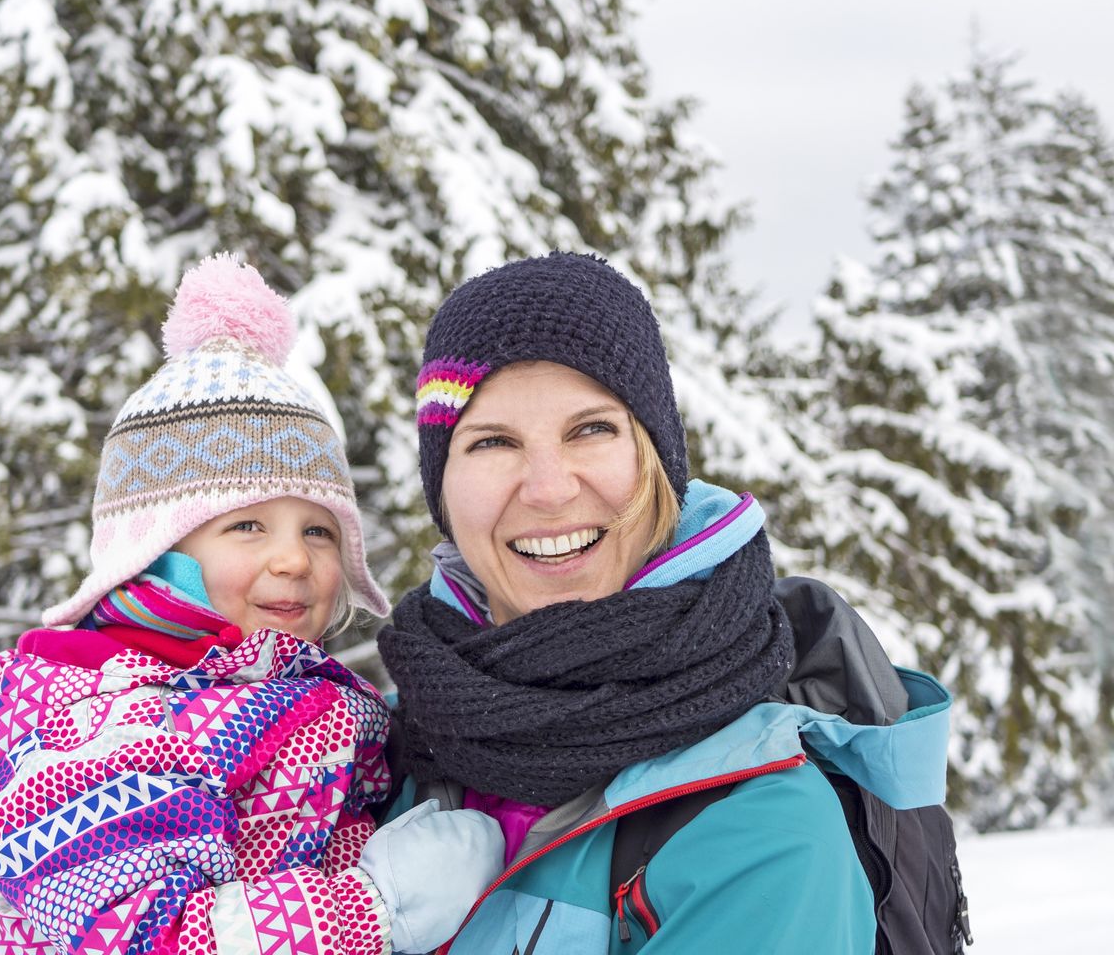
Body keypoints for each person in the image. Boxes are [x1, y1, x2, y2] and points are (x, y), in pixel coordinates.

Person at [377, 252, 954, 954]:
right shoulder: (388, 748)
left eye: (590, 428)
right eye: (493, 441)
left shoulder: (760, 824)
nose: (549, 488)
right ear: (443, 490)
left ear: (654, 460)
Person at [0, 254, 503, 955]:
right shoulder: (91, 714)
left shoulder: (298, 693)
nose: (294, 559)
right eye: (247, 526)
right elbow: (138, 937)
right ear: (154, 548)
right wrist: (374, 908)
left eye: (319, 531)